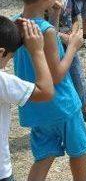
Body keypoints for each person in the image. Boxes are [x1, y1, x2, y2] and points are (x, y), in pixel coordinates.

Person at [12, 0, 86, 181]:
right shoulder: (45, 31)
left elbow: (43, 47)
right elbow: (56, 75)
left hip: (35, 106)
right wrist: (73, 46)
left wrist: (54, 16)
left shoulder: (16, 23)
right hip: (62, 105)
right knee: (78, 151)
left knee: (44, 157)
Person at [0, 16, 54, 181]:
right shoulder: (2, 82)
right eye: (9, 59)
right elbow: (46, 91)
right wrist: (37, 51)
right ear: (1, 53)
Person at [42, 0, 86, 124]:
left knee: (77, 74)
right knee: (56, 77)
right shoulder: (43, 2)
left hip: (70, 45)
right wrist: (60, 36)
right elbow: (43, 27)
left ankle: (85, 105)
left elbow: (75, 19)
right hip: (52, 45)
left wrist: (74, 32)